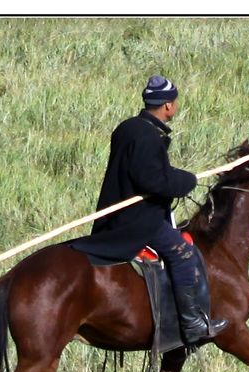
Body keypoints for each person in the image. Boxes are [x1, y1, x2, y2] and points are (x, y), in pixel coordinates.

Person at [89, 75, 228, 344]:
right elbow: (152, 180)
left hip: (115, 212)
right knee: (184, 255)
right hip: (138, 220)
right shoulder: (149, 136)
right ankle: (192, 324)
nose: (175, 107)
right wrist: (186, 181)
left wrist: (176, 176)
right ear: (167, 106)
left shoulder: (128, 128)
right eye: (174, 102)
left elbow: (149, 172)